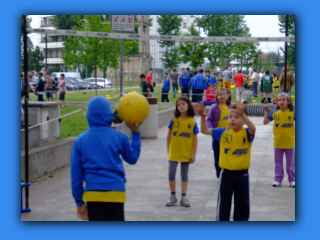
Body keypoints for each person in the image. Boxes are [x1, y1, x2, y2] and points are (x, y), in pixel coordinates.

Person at [70, 96, 142, 221]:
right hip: (116, 193)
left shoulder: (80, 140)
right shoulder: (120, 137)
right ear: (109, 114)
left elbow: (76, 175)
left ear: (89, 115)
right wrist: (135, 134)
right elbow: (132, 158)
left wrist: (79, 201)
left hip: (93, 195)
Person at [195, 102, 255, 221]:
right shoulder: (222, 132)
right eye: (230, 117)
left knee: (242, 203)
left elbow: (253, 128)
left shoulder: (246, 133)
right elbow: (204, 130)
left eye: (236, 117)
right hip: (226, 174)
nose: (232, 120)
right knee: (224, 202)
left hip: (242, 174)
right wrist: (202, 117)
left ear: (243, 120)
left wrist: (243, 114)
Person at [166, 96, 199, 207]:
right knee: (171, 173)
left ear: (188, 105)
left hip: (186, 153)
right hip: (174, 153)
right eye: (178, 104)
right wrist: (168, 150)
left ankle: (183, 197)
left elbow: (195, 139)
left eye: (183, 104)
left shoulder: (192, 122)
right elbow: (169, 135)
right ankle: (173, 196)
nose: (180, 106)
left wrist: (194, 153)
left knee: (184, 174)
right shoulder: (174, 120)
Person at [263, 93, 295, 188]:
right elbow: (265, 122)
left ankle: (292, 179)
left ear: (288, 102)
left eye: (283, 100)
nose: (281, 101)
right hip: (278, 142)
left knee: (291, 163)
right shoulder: (275, 113)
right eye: (279, 100)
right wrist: (267, 112)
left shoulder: (293, 113)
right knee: (278, 162)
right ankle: (277, 179)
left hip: (290, 142)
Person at [206, 87, 232, 178]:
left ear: (228, 96)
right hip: (217, 136)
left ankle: (227, 171)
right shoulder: (214, 108)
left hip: (229, 136)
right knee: (217, 155)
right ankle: (218, 169)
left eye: (224, 94)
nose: (222, 96)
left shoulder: (231, 107)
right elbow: (209, 120)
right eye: (220, 94)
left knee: (228, 154)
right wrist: (211, 129)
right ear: (217, 96)